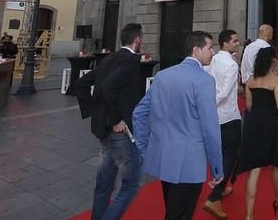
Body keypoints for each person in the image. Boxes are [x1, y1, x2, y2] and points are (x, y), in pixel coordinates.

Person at [133, 31, 223, 220]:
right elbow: (210, 129)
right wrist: (217, 167)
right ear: (196, 50)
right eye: (209, 47)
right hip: (189, 164)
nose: (213, 52)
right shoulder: (204, 80)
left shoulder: (163, 75)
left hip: (164, 158)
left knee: (173, 212)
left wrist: (144, 149)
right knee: (180, 214)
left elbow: (139, 113)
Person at [75, 23, 145, 220]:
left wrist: (94, 112)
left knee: (104, 183)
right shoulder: (131, 60)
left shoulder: (110, 58)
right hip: (117, 132)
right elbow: (108, 88)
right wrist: (115, 119)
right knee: (130, 185)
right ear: (137, 39)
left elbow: (81, 84)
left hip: (102, 130)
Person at [237, 47, 278, 219]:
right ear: (272, 61)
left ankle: (249, 216)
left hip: (253, 124)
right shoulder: (276, 80)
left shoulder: (250, 80)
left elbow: (248, 106)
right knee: (276, 164)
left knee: (254, 170)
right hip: (271, 124)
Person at [202, 29, 242, 220]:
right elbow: (225, 92)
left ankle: (222, 185)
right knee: (231, 154)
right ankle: (214, 196)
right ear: (225, 43)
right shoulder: (231, 64)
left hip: (216, 117)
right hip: (229, 116)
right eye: (235, 41)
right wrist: (210, 105)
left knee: (220, 153)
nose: (237, 43)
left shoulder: (212, 59)